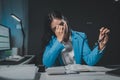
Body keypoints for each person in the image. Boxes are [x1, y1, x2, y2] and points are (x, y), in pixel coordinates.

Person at [42, 11, 110, 68]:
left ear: (65, 21)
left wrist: (101, 45)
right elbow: (47, 64)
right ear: (52, 31)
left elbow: (90, 61)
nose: (61, 29)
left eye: (61, 24)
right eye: (55, 28)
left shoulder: (80, 37)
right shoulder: (51, 41)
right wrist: (59, 40)